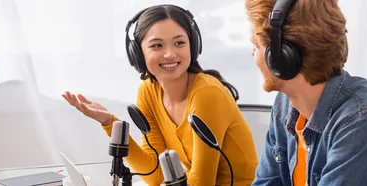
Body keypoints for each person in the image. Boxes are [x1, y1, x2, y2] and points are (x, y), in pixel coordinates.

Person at [62, 4, 258, 186]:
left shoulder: (207, 94)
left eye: (179, 43)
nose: (170, 54)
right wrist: (109, 123)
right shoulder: (148, 91)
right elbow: (155, 173)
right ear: (138, 53)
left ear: (193, 45)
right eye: (157, 46)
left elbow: (201, 184)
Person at [244, 0, 367, 185]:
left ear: (282, 59)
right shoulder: (285, 106)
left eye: (257, 45)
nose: (253, 53)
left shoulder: (365, 120)